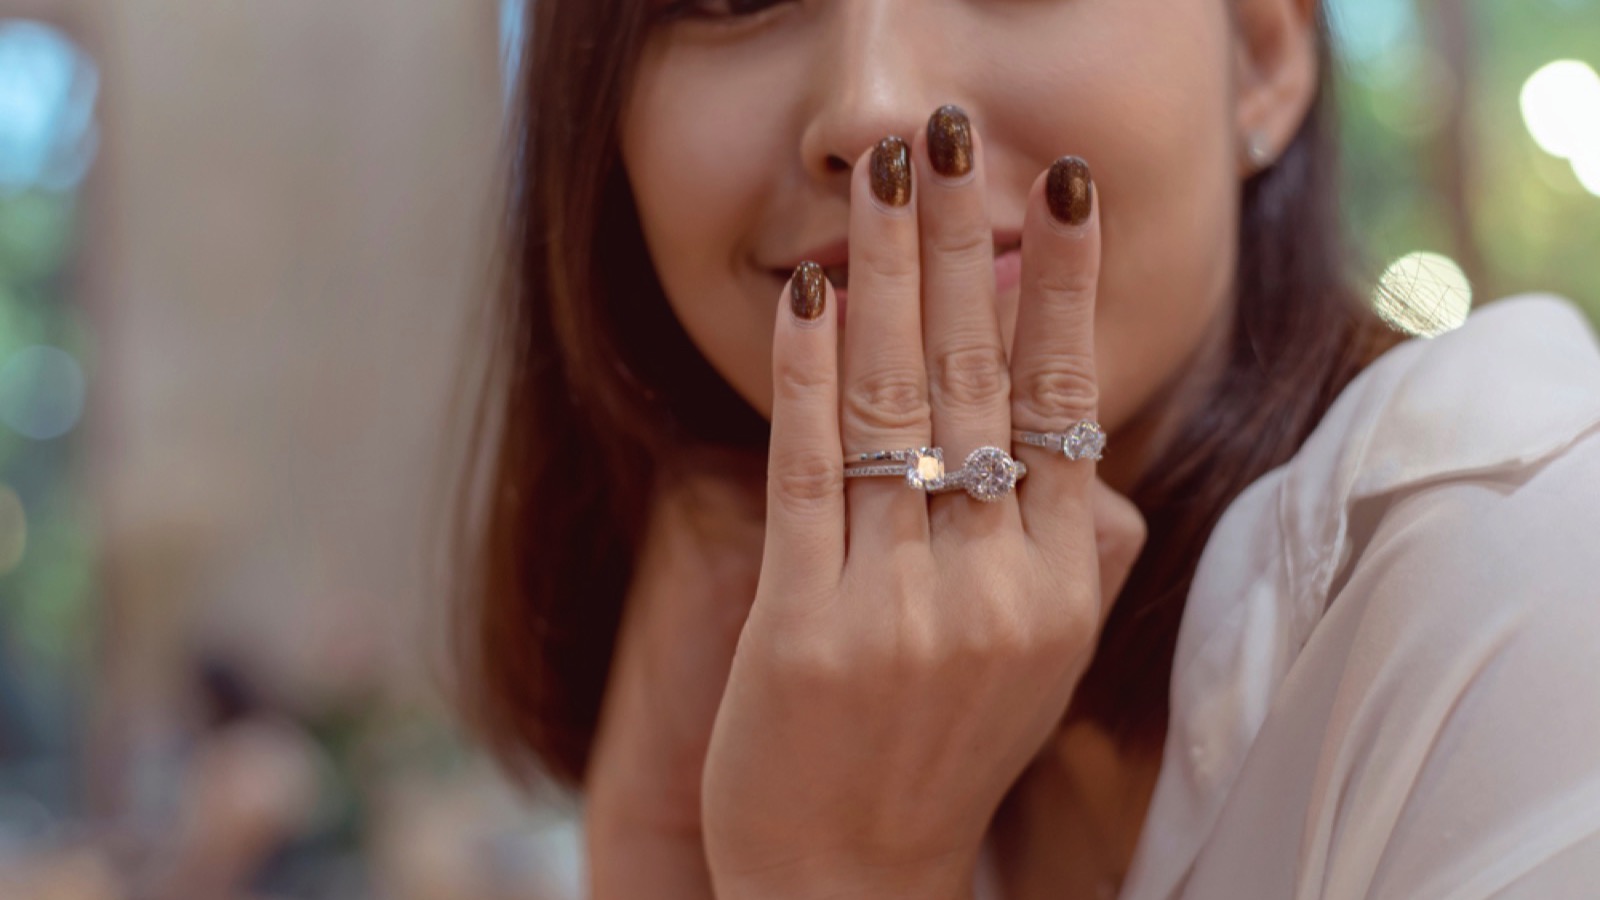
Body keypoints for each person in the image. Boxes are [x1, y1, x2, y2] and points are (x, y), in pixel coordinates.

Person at [451, 0, 1600, 896]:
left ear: (1260, 51)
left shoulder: (1534, 549)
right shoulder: (762, 674)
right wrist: (656, 848)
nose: (869, 104)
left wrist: (844, 875)